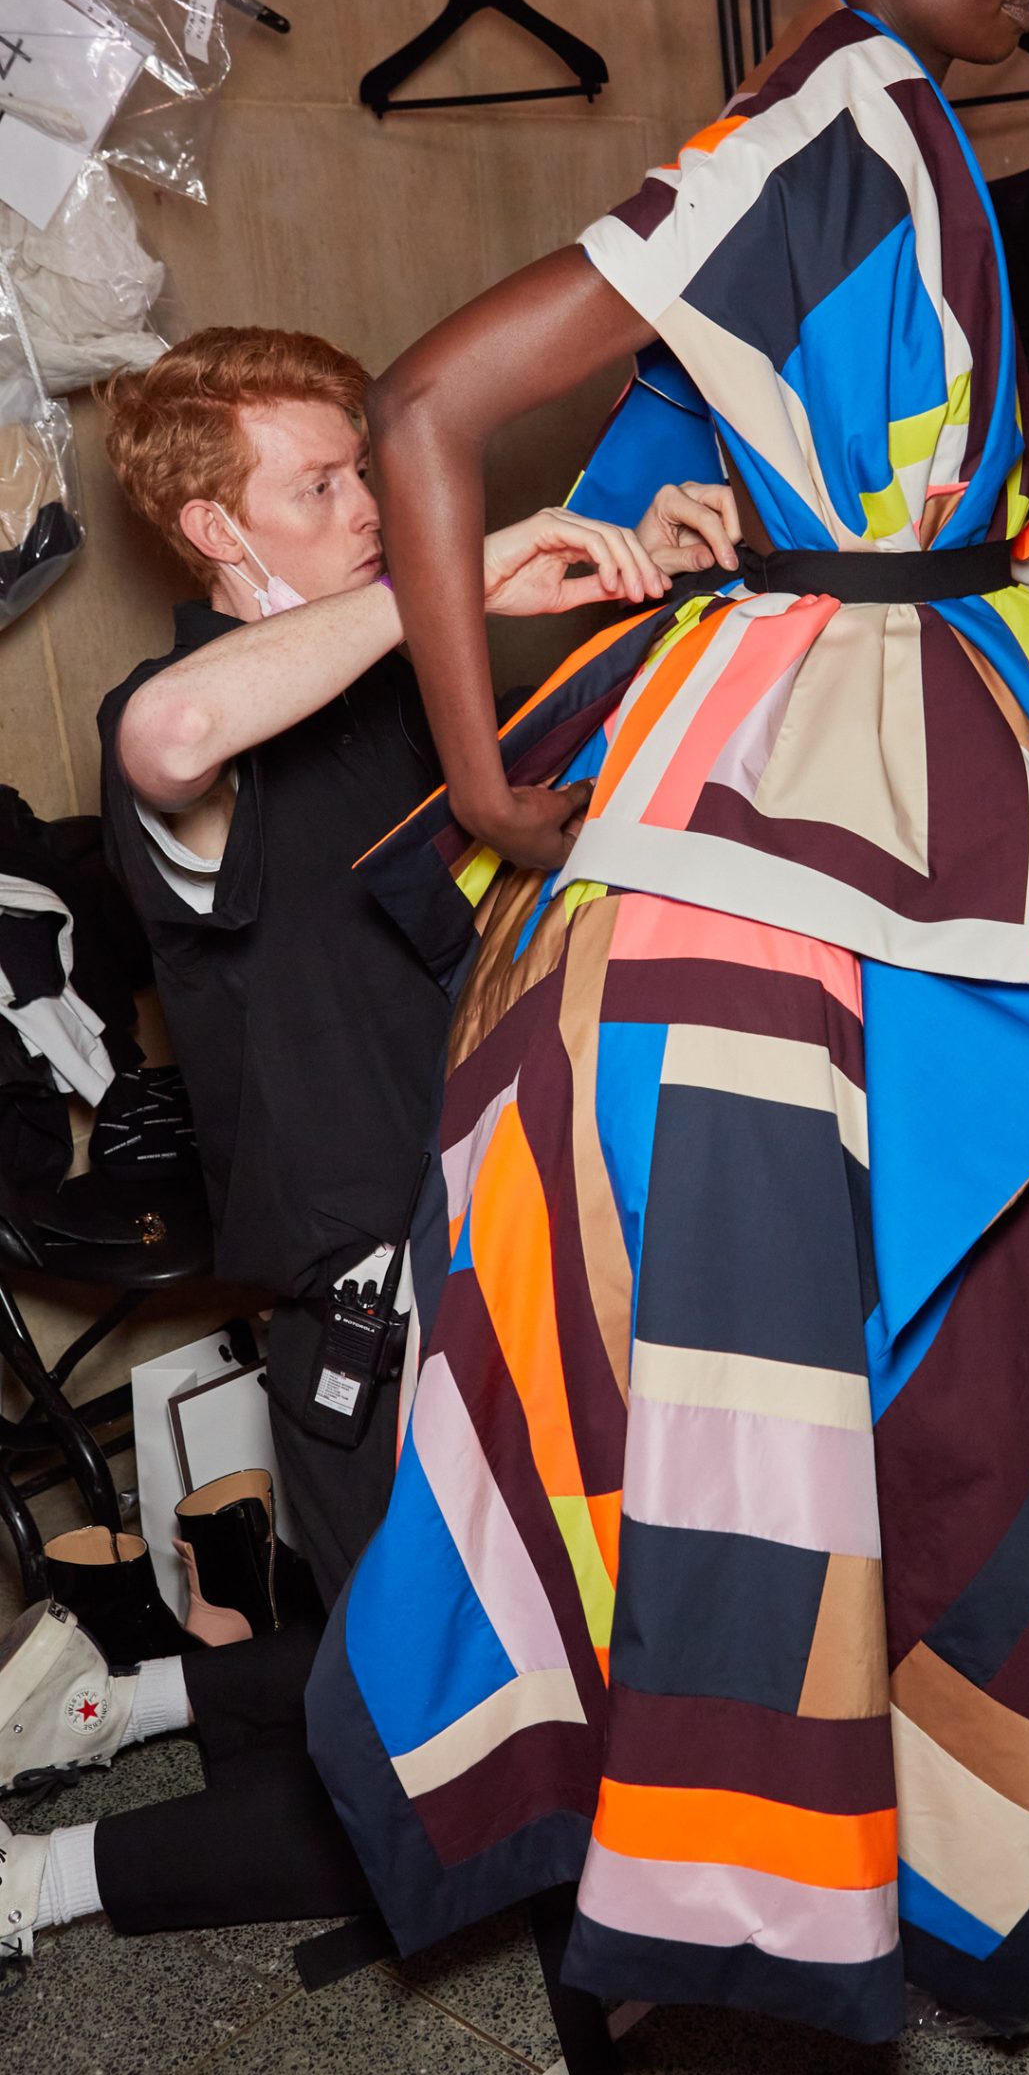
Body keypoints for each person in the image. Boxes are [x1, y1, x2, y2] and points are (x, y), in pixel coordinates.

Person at [306, 0, 1029, 2053]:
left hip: (909, 733)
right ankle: (807, 1810)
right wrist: (480, 776)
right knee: (834, 1321)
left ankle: (912, 1780)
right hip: (826, 780)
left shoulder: (892, 117)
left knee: (955, 1290)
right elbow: (426, 407)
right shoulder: (817, 121)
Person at [97, 326, 701, 1603]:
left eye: (365, 473)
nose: (369, 508)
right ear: (215, 529)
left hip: (504, 1230)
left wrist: (651, 559)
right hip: (368, 1307)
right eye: (319, 487)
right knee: (404, 1677)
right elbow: (175, 730)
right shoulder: (172, 714)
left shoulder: (392, 689)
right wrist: (446, 579)